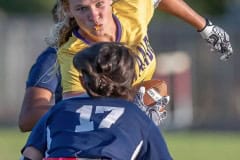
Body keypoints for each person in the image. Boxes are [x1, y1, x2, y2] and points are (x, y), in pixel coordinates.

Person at [47, 0, 233, 100]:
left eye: (99, 4)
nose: (94, 16)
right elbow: (76, 106)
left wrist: (205, 27)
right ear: (68, 9)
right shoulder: (73, 53)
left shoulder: (131, 9)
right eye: (81, 8)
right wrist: (136, 100)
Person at [20, 42, 173, 160]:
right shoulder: (136, 116)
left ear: (82, 80)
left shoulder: (59, 109)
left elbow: (30, 155)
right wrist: (144, 125)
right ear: (131, 80)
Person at [18, 4, 63, 132]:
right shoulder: (55, 57)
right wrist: (83, 109)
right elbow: (28, 118)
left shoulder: (116, 52)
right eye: (81, 9)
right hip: (71, 145)